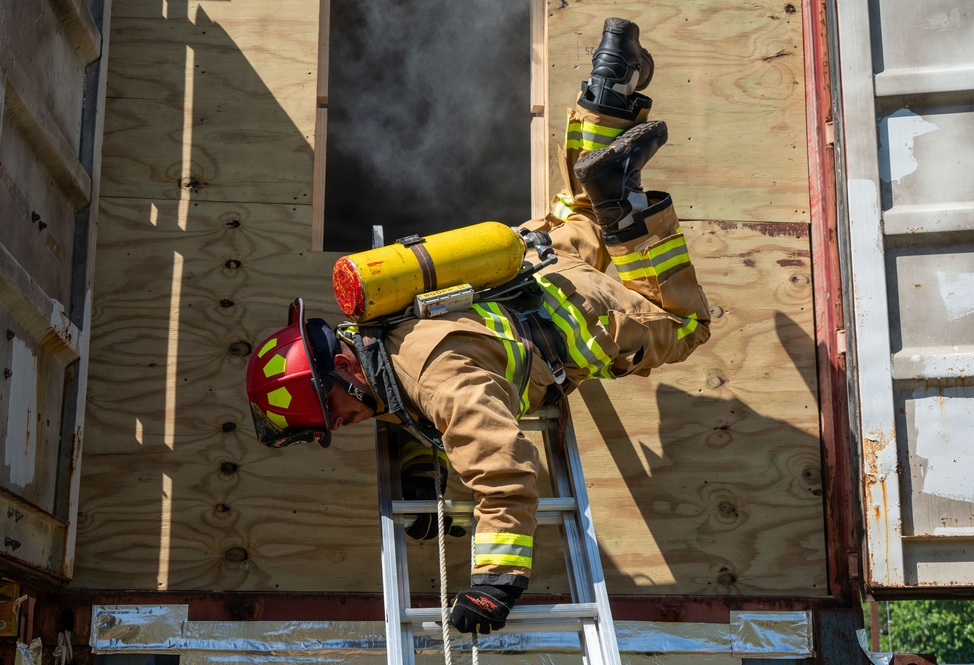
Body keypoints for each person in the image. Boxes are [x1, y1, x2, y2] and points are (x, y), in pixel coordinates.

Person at [245, 17, 711, 635]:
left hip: (579, 317)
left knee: (683, 323)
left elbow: (501, 468)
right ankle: (608, 89)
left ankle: (625, 214)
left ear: (344, 374)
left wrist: (496, 581)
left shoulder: (435, 381)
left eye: (335, 413)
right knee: (576, 205)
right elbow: (412, 408)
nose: (346, 425)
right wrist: (421, 468)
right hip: (534, 254)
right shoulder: (380, 327)